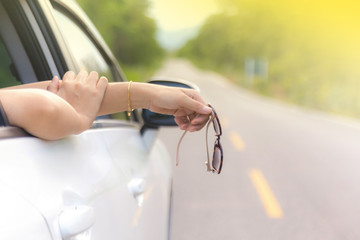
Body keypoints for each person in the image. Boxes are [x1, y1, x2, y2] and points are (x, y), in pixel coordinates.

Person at [0, 70, 212, 140]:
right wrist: (79, 119)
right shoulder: (46, 107)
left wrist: (149, 96)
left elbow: (54, 93)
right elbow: (44, 107)